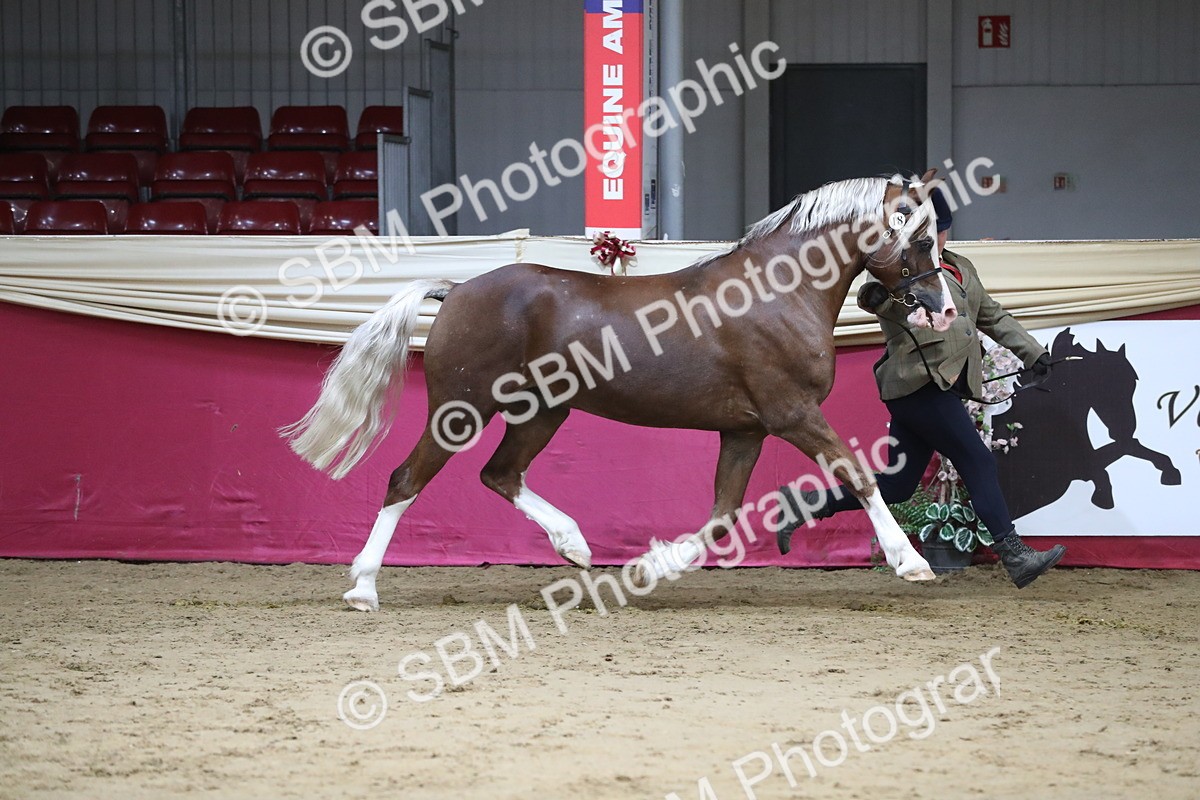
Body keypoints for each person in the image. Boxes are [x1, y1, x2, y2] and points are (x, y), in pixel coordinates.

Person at [777, 188, 1066, 588]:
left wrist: (1033, 353)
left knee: (897, 486)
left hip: (941, 388)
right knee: (978, 461)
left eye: (939, 231)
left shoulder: (963, 268)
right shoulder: (905, 270)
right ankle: (1014, 555)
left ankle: (807, 504)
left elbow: (992, 316)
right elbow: (873, 297)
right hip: (918, 384)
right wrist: (883, 298)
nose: (935, 238)